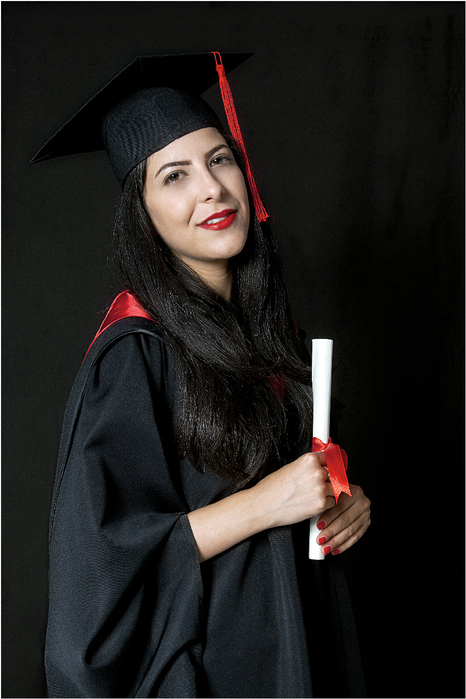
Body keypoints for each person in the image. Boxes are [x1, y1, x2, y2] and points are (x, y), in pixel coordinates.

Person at [33, 52, 371, 698]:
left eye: (220, 160)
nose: (211, 189)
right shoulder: (133, 355)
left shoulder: (266, 336)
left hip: (297, 649)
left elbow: (295, 490)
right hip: (214, 672)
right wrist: (267, 502)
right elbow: (101, 571)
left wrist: (341, 498)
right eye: (174, 176)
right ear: (143, 213)